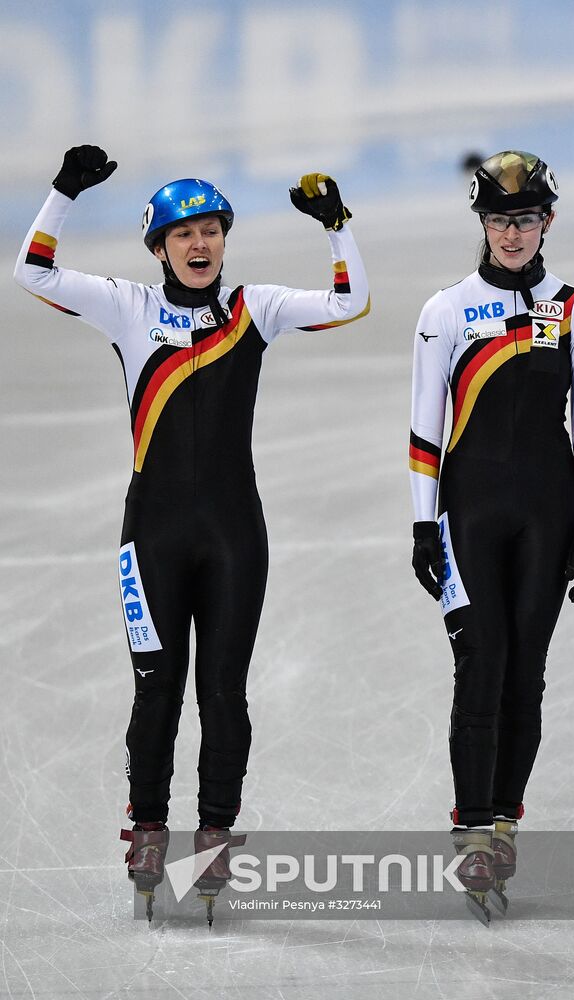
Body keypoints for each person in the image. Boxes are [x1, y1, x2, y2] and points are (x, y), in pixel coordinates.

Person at [14, 145, 370, 896]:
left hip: (236, 534)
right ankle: (148, 829)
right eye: (183, 234)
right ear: (159, 248)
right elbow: (32, 271)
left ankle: (214, 830)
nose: (199, 243)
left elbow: (349, 303)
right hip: (152, 536)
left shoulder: (254, 308)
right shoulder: (128, 307)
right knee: (156, 690)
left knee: (224, 693)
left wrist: (337, 227)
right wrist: (62, 193)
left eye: (210, 229)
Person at [408, 150, 574, 923]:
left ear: (546, 221)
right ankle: (471, 832)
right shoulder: (446, 310)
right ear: (482, 225)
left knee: (527, 674)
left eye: (524, 220)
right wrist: (424, 522)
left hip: (549, 514)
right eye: (499, 220)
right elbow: (426, 428)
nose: (512, 235)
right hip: (470, 515)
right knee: (479, 666)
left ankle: (504, 822)